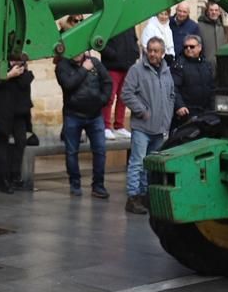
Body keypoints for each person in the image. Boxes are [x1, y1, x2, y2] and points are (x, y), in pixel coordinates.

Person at [120, 36, 175, 215]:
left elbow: (171, 95)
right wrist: (142, 111)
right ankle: (133, 197)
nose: (152, 53)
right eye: (150, 50)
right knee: (137, 163)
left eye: (156, 51)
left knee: (149, 165)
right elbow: (126, 94)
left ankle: (145, 196)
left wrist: (167, 118)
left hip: (159, 128)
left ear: (162, 53)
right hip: (142, 127)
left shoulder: (167, 71)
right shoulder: (136, 70)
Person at [55, 49, 112, 198]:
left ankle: (98, 185)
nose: (78, 53)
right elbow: (68, 85)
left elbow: (107, 82)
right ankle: (75, 184)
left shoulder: (95, 63)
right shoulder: (62, 66)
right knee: (72, 152)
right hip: (73, 115)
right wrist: (83, 69)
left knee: (100, 150)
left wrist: (103, 100)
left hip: (95, 115)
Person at [0, 56, 35, 194]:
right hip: (1, 111)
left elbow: (25, 83)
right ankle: (4, 179)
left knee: (21, 141)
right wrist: (9, 75)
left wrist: (18, 72)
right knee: (2, 144)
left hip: (18, 112)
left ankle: (15, 175)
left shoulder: (24, 72)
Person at [100, 24, 139, 140]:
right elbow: (100, 43)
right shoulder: (109, 22)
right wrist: (112, 55)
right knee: (109, 97)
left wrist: (136, 52)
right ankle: (105, 126)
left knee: (123, 98)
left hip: (127, 66)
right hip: (112, 66)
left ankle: (119, 126)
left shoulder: (129, 23)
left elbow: (134, 39)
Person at [172, 34, 213, 120]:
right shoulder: (179, 65)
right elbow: (173, 87)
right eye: (186, 47)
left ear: (200, 47)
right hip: (188, 112)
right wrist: (180, 106)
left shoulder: (206, 64)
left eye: (192, 46)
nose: (188, 49)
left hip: (207, 111)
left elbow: (212, 86)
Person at [196, 1, 228, 65]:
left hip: (221, 65)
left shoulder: (221, 27)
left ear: (219, 12)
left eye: (216, 10)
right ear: (207, 11)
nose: (214, 12)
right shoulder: (199, 26)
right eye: (211, 10)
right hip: (205, 65)